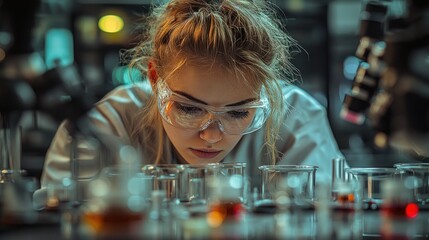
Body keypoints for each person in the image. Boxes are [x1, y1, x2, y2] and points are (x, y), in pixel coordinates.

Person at [33, 0, 345, 209]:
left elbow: (329, 218)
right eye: (189, 108)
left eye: (238, 112)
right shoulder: (106, 123)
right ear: (155, 78)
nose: (211, 136)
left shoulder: (295, 117)